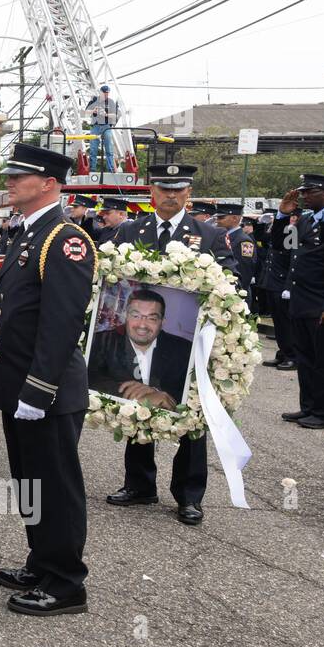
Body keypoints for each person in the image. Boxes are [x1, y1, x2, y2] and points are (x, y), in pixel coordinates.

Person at [0, 143, 96, 617]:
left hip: (44, 390)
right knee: (30, 483)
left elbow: (61, 323)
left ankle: (67, 582)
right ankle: (42, 561)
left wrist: (39, 388)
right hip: (20, 384)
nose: (8, 182)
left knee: (55, 487)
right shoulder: (30, 232)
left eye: (18, 176)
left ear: (49, 183)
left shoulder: (65, 238)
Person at [108, 164, 236, 526]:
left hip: (189, 342)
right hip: (141, 336)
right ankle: (139, 484)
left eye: (178, 190)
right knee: (138, 405)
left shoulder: (208, 235)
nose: (170, 195)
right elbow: (112, 277)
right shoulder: (131, 230)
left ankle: (189, 496)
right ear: (152, 193)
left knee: (191, 416)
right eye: (164, 189)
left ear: (188, 194)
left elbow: (231, 280)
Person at [273, 177, 324, 435]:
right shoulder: (305, 220)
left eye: (309, 191)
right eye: (302, 192)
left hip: (322, 303)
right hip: (301, 302)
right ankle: (309, 407)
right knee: (306, 358)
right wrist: (282, 216)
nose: (303, 196)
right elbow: (281, 246)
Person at [89, 289, 191, 410]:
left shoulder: (185, 350)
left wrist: (156, 392)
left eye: (151, 318)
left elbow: (191, 394)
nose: (142, 325)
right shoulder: (100, 341)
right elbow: (89, 379)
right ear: (126, 316)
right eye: (136, 316)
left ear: (162, 322)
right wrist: (142, 396)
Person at [259, 211, 297, 370]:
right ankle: (283, 352)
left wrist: (288, 287)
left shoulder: (293, 233)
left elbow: (293, 262)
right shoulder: (281, 231)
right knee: (279, 324)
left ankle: (292, 355)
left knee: (287, 324)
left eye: (295, 217)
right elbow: (263, 238)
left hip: (282, 284)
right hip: (273, 283)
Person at [214, 203, 257, 298]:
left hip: (235, 294)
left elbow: (245, 271)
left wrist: (238, 293)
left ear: (234, 218)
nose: (217, 221)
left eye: (221, 218)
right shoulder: (222, 237)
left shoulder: (243, 241)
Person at [84, 85, 118, 173]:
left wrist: (106, 114)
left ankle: (110, 170)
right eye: (105, 93)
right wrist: (93, 111)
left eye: (107, 93)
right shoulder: (94, 100)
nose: (106, 94)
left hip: (106, 126)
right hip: (95, 126)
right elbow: (86, 112)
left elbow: (114, 115)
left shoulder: (111, 102)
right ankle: (92, 170)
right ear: (101, 92)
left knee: (109, 149)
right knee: (93, 149)